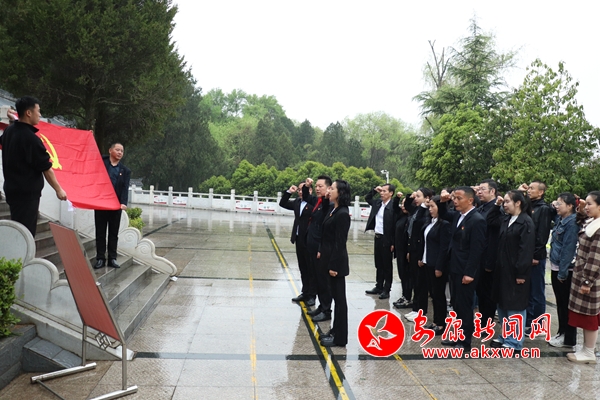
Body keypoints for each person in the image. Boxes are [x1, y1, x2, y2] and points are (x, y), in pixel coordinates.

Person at [0, 96, 67, 236]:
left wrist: (12, 121)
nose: (40, 115)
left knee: (18, 229)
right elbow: (46, 168)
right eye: (38, 111)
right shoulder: (31, 139)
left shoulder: (9, 131)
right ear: (28, 113)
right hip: (26, 196)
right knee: (26, 234)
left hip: (12, 191)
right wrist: (58, 189)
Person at [439, 186, 487, 351]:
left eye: (459, 198)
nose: (455, 201)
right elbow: (443, 214)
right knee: (456, 304)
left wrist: (469, 273)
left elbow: (477, 250)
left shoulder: (477, 220)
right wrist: (443, 202)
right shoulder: (458, 215)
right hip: (454, 267)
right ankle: (458, 336)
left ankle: (465, 341)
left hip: (465, 270)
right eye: (454, 198)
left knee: (465, 306)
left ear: (470, 200)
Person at [489, 190, 535, 353]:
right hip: (502, 270)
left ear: (518, 203)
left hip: (516, 272)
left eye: (507, 201)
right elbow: (490, 220)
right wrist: (496, 205)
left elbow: (525, 251)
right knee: (503, 304)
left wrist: (521, 273)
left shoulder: (526, 222)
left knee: (515, 306)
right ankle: (505, 336)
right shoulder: (506, 219)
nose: (505, 204)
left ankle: (514, 342)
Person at [566, 191, 600, 364]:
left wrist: (587, 281)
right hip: (583, 276)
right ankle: (586, 348)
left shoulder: (598, 229)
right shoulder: (592, 222)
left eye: (590, 204)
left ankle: (589, 351)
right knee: (585, 315)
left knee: (590, 316)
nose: (586, 207)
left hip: (590, 280)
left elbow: (595, 258)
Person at [318, 180, 352, 347]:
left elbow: (340, 243)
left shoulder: (342, 214)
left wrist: (333, 266)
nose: (328, 190)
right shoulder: (334, 209)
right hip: (329, 260)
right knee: (336, 299)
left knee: (340, 302)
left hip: (336, 264)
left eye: (332, 188)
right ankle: (335, 331)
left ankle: (340, 338)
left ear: (341, 193)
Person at [518, 181, 555, 331]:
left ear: (541, 192)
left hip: (535, 256)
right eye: (529, 188)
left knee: (537, 291)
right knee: (527, 290)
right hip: (525, 254)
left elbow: (542, 234)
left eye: (532, 188)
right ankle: (528, 320)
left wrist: (536, 255)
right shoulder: (528, 206)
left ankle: (538, 324)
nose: (529, 190)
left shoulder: (543, 209)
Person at [548, 193, 579, 349]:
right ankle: (561, 332)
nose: (557, 206)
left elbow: (568, 249)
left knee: (566, 304)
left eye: (560, 203)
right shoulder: (561, 219)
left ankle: (568, 338)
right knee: (560, 303)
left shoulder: (572, 223)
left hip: (565, 270)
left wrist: (562, 272)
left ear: (570, 206)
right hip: (556, 267)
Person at [416, 196, 450, 335]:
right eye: (429, 207)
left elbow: (443, 248)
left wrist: (439, 267)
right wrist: (421, 258)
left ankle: (441, 323)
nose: (430, 209)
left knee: (439, 295)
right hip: (427, 262)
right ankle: (435, 321)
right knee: (433, 294)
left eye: (432, 206)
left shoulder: (444, 224)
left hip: (437, 265)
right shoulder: (429, 222)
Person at [94, 143, 131, 269]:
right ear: (110, 150)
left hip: (116, 206)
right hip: (101, 204)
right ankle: (100, 258)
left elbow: (125, 188)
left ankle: (112, 258)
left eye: (122, 151)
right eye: (117, 150)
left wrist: (123, 202)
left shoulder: (125, 171)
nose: (120, 152)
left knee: (113, 233)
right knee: (100, 232)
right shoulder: (101, 164)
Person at [279, 182, 316, 306]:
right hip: (298, 238)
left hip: (309, 239)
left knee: (311, 269)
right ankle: (305, 292)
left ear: (310, 191)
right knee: (303, 267)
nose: (301, 192)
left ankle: (312, 295)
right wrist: (289, 192)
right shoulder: (297, 202)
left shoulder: (314, 204)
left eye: (303, 189)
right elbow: (282, 203)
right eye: (299, 190)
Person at [303, 175, 333, 322]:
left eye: (321, 186)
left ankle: (326, 310)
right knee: (316, 277)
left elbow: (326, 230)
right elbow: (306, 197)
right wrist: (306, 186)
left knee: (323, 280)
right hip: (312, 245)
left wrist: (321, 248)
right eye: (316, 186)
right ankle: (321, 306)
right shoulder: (317, 201)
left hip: (320, 248)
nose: (317, 188)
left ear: (329, 188)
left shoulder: (329, 204)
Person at [403, 188, 433, 322]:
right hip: (414, 249)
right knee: (415, 281)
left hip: (421, 251)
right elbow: (407, 205)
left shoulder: (427, 212)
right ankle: (416, 308)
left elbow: (420, 230)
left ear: (427, 198)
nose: (415, 198)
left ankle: (421, 310)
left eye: (418, 196)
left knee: (421, 283)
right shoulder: (417, 209)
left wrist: (421, 256)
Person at [475, 179, 502, 327]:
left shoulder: (497, 209)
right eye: (478, 189)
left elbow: (494, 238)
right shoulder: (481, 208)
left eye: (482, 189)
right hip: (479, 256)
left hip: (489, 258)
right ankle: (483, 321)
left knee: (488, 294)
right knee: (481, 292)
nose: (479, 192)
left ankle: (487, 324)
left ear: (492, 191)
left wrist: (490, 261)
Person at [364, 184, 396, 300]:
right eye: (381, 191)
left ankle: (386, 289)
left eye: (384, 191)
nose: (382, 193)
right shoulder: (378, 203)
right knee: (378, 263)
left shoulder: (393, 206)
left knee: (387, 265)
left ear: (391, 193)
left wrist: (393, 242)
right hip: (377, 237)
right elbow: (367, 198)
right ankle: (379, 286)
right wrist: (374, 190)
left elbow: (395, 226)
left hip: (387, 239)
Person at [392, 194, 411, 308]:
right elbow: (395, 207)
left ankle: (408, 297)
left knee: (407, 276)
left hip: (406, 252)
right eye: (402, 204)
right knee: (402, 274)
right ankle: (404, 295)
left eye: (405, 204)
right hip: (399, 251)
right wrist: (397, 198)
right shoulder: (401, 216)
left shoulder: (411, 218)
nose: (403, 206)